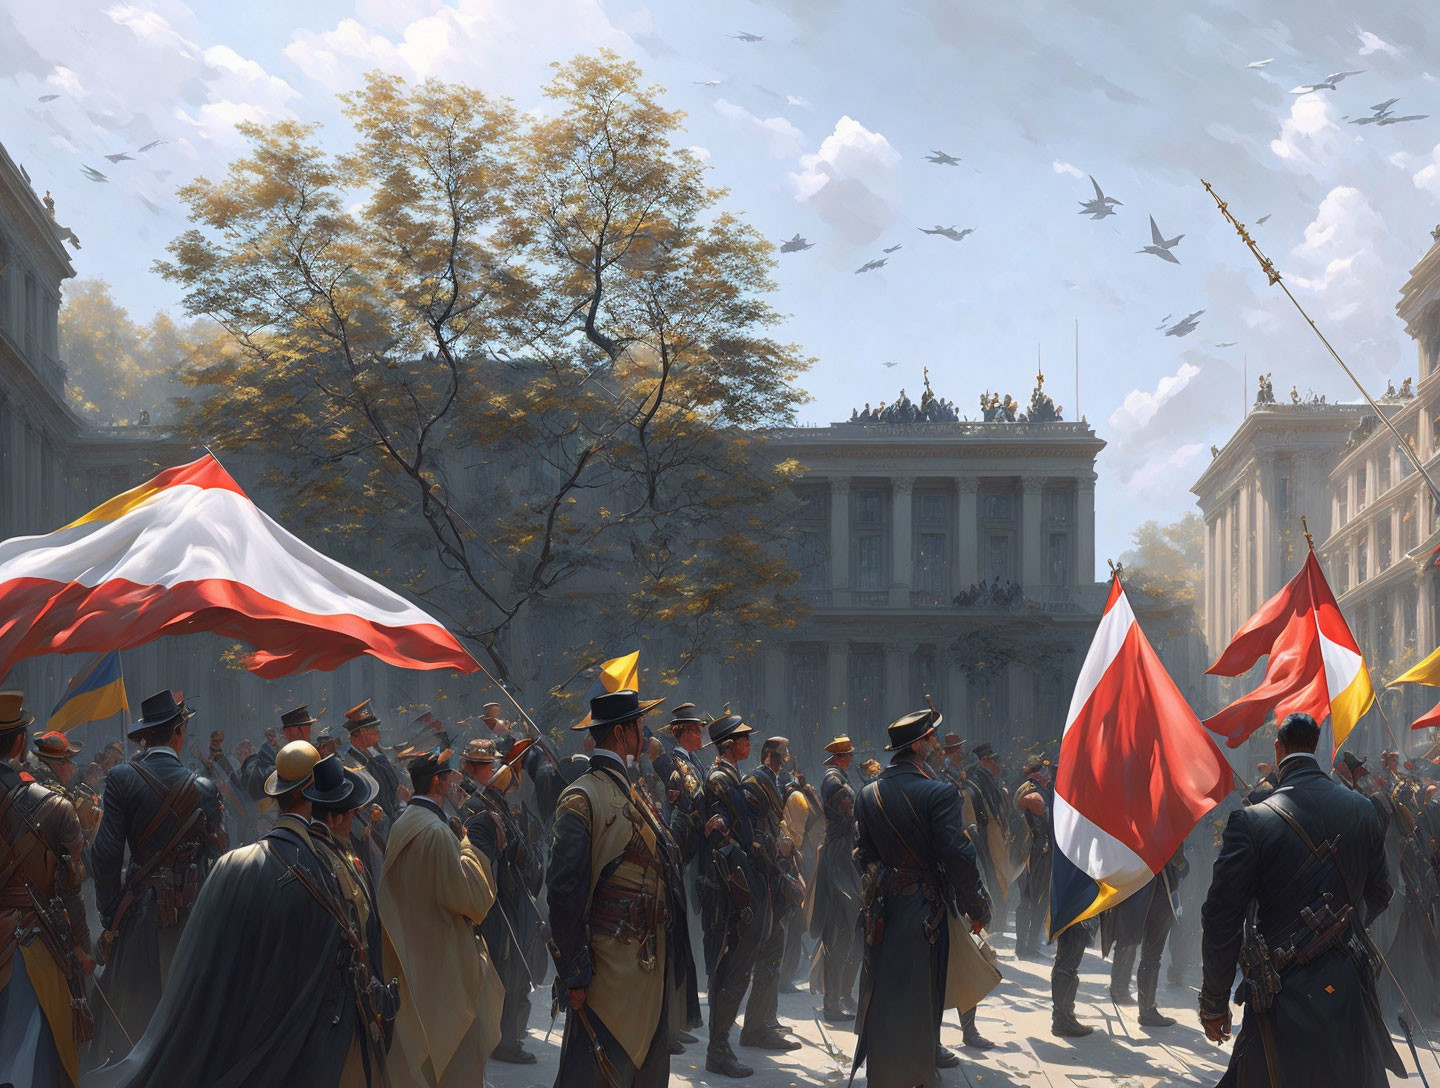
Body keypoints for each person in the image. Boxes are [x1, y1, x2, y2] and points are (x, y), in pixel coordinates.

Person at [87, 740, 390, 1086]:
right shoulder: (340, 868)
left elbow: (202, 976)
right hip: (318, 1049)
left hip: (246, 1042)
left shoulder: (232, 865)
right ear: (315, 795)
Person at [1200, 712, 1404, 1087]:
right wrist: (1345, 925)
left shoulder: (1251, 820)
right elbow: (1380, 893)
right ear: (1315, 748)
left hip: (1279, 992)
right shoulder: (1363, 809)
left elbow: (1221, 917)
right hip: (1346, 985)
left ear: (1279, 749)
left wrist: (1214, 1002)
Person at [852, 709, 992, 1087]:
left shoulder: (867, 793)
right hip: (924, 912)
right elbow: (957, 855)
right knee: (921, 999)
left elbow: (862, 855)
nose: (935, 745)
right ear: (917, 744)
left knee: (885, 996)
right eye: (931, 738)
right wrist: (976, 903)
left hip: (883, 912)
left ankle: (884, 1076)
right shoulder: (939, 792)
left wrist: (882, 887)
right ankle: (917, 1077)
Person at [547, 689, 675, 1087]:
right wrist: (574, 972)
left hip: (648, 971)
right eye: (639, 725)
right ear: (621, 734)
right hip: (607, 978)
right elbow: (563, 891)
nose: (645, 731)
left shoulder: (631, 790)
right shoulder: (581, 796)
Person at [89, 690, 226, 1062]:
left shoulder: (120, 779)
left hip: (140, 917)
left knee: (132, 1025)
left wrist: (113, 913)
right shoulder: (205, 788)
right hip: (193, 920)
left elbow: (103, 856)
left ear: (145, 737)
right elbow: (215, 859)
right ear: (178, 733)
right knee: (194, 1020)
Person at [380, 746, 502, 1088]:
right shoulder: (436, 832)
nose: (454, 782)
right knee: (452, 1061)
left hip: (416, 951)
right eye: (450, 777)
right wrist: (468, 845)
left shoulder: (405, 822)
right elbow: (472, 900)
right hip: (441, 962)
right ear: (438, 782)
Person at [0, 692, 94, 1088]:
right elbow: (70, 889)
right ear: (20, 741)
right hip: (29, 944)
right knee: (32, 1053)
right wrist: (80, 946)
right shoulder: (55, 806)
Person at [306, 752, 391, 1088]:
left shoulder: (333, 849)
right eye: (353, 812)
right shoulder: (324, 857)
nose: (357, 817)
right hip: (340, 998)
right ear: (339, 817)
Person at [458, 738, 537, 1065]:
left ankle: (506, 1036)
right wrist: (509, 852)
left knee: (514, 972)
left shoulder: (491, 799)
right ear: (474, 769)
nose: (495, 769)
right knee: (504, 973)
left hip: (510, 898)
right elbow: (478, 861)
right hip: (496, 904)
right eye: (489, 765)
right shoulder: (474, 806)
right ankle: (503, 1041)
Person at [698, 708, 764, 1078]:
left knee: (737, 970)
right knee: (731, 971)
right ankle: (718, 1050)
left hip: (734, 888)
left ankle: (719, 1047)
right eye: (743, 738)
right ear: (729, 745)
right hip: (729, 893)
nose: (748, 743)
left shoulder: (731, 776)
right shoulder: (721, 779)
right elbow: (743, 831)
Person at [737, 736, 802, 1052]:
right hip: (762, 877)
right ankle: (755, 1028)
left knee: (775, 951)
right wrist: (776, 851)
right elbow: (752, 834)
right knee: (770, 950)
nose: (782, 761)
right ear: (767, 756)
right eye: (778, 756)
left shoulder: (773, 781)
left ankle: (766, 1020)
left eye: (784, 756)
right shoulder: (756, 782)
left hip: (773, 877)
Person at [1102, 845, 1187, 1027]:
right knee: (1145, 950)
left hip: (1139, 888)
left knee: (1135, 944)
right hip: (1151, 891)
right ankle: (1142, 1006)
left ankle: (1125, 993)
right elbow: (1180, 867)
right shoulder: (1167, 825)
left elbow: (1181, 867)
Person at [809, 735, 861, 1022]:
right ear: (842, 757)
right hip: (838, 855)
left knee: (847, 933)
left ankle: (840, 997)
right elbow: (851, 806)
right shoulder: (832, 778)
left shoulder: (839, 776)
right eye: (849, 755)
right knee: (838, 933)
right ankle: (831, 1004)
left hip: (844, 853)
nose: (851, 758)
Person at [959, 741, 1014, 932]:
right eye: (992, 760)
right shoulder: (975, 782)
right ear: (983, 761)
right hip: (984, 837)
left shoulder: (985, 780)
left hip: (991, 837)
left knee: (996, 881)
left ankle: (996, 925)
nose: (995, 764)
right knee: (990, 881)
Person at [343, 700, 406, 851]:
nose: (377, 734)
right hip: (374, 833)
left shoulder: (377, 756)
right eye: (372, 730)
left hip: (392, 825)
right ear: (360, 733)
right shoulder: (350, 765)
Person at [1013, 755, 1052, 958]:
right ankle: (1023, 947)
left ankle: (1030, 945)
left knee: (1040, 900)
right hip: (1033, 852)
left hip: (1042, 852)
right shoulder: (1030, 789)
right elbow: (1030, 803)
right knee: (1028, 900)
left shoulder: (1042, 788)